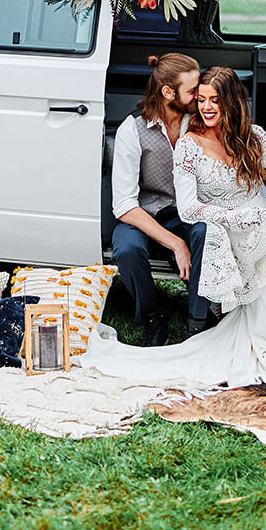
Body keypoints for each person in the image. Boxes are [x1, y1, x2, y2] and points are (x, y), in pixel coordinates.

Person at [81, 66, 266, 387]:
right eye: (201, 100)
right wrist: (235, 218)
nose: (207, 107)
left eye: (214, 100)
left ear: (232, 102)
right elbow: (188, 208)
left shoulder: (253, 136)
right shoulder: (190, 145)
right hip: (234, 232)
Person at [109, 53, 214, 346]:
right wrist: (176, 244)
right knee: (127, 251)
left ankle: (197, 322)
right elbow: (125, 205)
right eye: (193, 91)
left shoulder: (199, 122)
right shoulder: (132, 129)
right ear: (168, 93)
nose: (199, 96)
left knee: (206, 233)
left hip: (184, 213)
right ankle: (153, 317)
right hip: (143, 215)